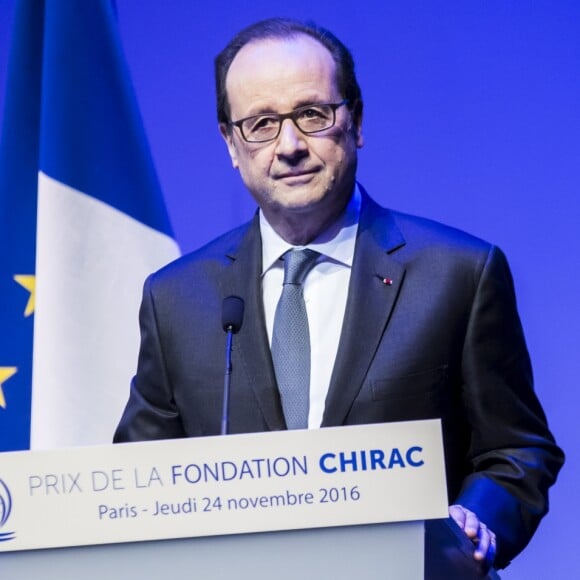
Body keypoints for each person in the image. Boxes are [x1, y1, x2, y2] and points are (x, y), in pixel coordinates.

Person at [114, 18, 564, 570]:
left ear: (355, 121)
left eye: (312, 114)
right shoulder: (177, 299)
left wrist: (477, 521)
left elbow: (516, 451)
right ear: (231, 144)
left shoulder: (458, 273)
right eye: (260, 124)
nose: (290, 146)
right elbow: (140, 482)